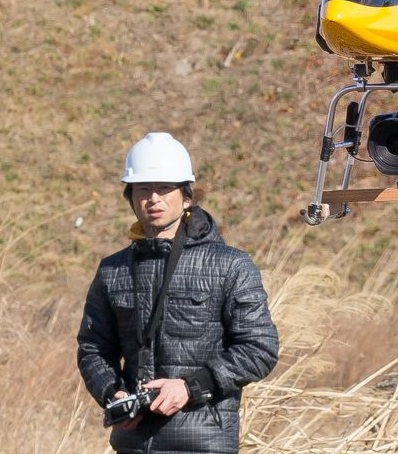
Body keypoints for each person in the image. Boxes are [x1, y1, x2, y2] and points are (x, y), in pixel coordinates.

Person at [77, 132, 279, 453]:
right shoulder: (112, 270)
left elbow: (260, 348)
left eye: (164, 188)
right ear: (130, 198)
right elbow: (93, 348)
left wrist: (190, 387)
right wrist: (113, 394)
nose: (153, 199)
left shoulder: (230, 265)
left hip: (204, 443)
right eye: (143, 189)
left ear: (187, 197)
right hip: (132, 443)